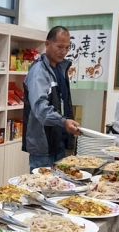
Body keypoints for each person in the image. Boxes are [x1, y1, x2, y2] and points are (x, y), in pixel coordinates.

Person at [22, 26, 81, 170]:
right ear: (47, 44)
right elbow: (40, 107)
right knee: (42, 188)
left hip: (59, 140)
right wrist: (63, 121)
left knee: (59, 187)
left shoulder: (60, 68)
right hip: (43, 143)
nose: (64, 52)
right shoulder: (39, 72)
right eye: (60, 46)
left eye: (67, 47)